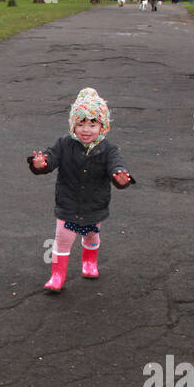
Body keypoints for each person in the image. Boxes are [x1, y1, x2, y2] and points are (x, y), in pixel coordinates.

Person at [28, 87, 133, 293]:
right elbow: (51, 158)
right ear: (73, 125)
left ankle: (89, 263)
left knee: (91, 236)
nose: (86, 130)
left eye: (92, 124)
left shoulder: (108, 148)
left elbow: (116, 165)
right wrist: (40, 163)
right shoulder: (64, 144)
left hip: (95, 204)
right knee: (63, 239)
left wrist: (120, 176)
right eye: (81, 124)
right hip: (68, 203)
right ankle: (57, 276)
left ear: (102, 126)